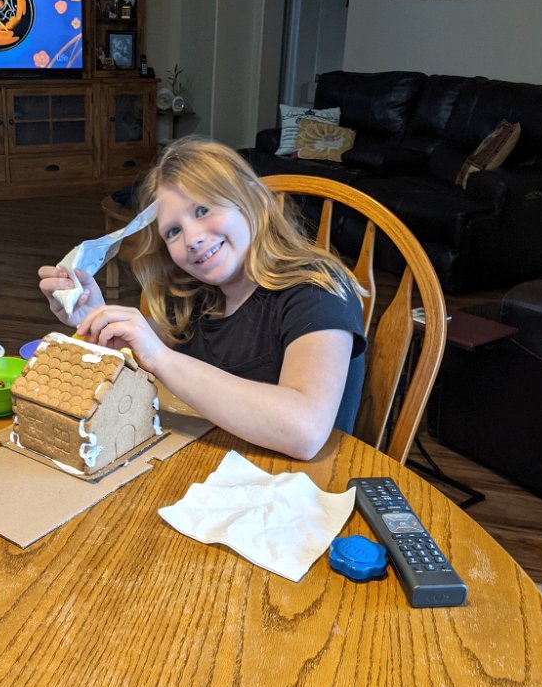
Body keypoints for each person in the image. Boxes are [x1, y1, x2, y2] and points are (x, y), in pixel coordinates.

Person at [38, 137, 366, 461]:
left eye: (203, 210)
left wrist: (161, 357)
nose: (192, 239)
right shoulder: (192, 296)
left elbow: (305, 431)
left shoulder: (317, 289)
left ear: (254, 199)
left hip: (303, 482)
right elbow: (136, 364)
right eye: (173, 231)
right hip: (210, 466)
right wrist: (95, 319)